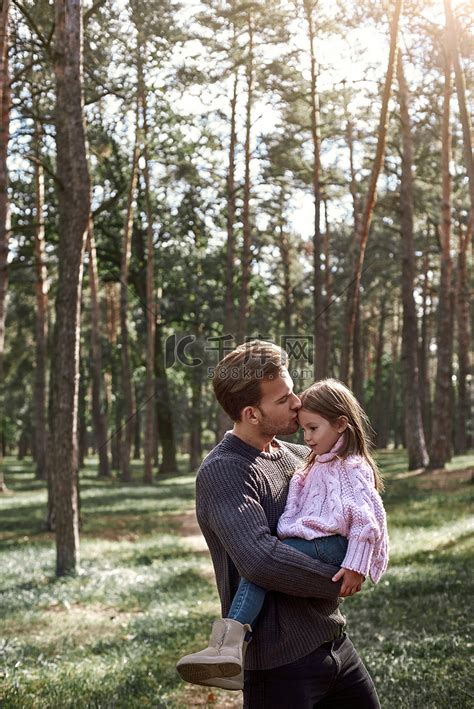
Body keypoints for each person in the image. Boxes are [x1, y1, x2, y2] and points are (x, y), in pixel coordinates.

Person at [176, 341, 383, 707]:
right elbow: (260, 561)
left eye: (293, 392)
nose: (297, 403)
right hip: (278, 665)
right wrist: (342, 575)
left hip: (334, 642)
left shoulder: (302, 455)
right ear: (252, 414)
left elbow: (356, 505)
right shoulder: (225, 471)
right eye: (284, 399)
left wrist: (360, 552)